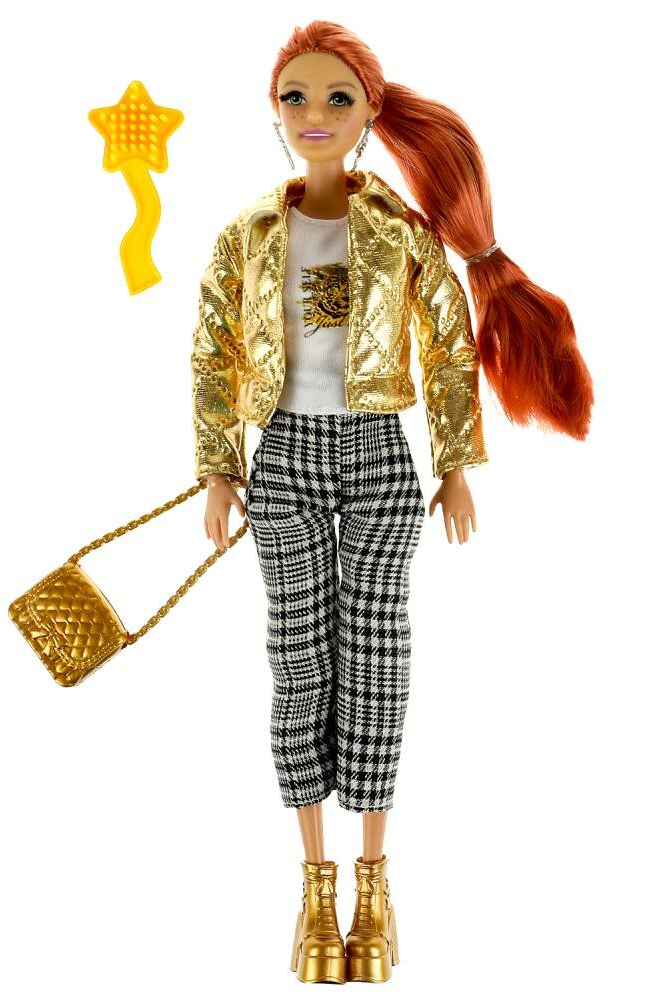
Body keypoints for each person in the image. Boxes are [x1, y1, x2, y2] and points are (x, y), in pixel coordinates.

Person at [190, 20, 593, 984]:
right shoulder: (248, 235)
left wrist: (454, 462)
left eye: (337, 98)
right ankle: (314, 885)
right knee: (297, 654)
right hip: (283, 454)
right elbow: (214, 350)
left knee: (376, 655)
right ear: (273, 109)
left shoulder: (403, 233)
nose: (315, 114)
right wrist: (219, 464)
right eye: (295, 97)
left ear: (371, 111)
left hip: (378, 453)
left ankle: (375, 882)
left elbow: (449, 348)